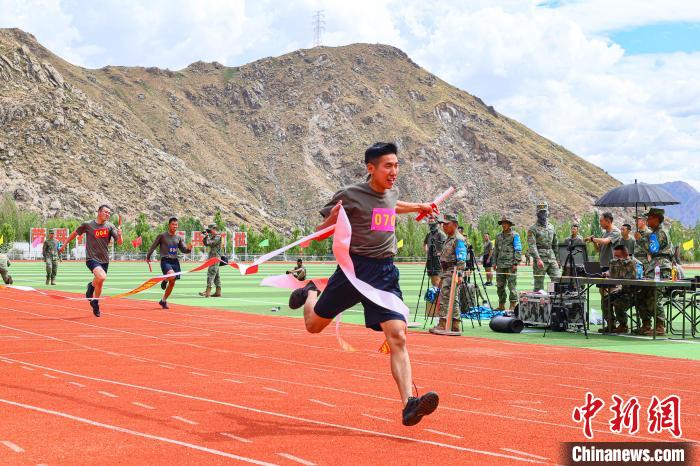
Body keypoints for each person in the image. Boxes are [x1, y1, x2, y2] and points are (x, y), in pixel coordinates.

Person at [287, 142, 439, 426]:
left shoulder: (392, 192)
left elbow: (392, 205)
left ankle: (409, 404)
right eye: (388, 166)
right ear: (371, 168)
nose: (394, 171)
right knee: (313, 326)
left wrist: (420, 206)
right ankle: (310, 292)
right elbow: (319, 233)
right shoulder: (350, 195)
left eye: (396, 165)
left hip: (384, 274)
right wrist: (331, 221)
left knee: (398, 336)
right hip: (352, 272)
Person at [60, 205, 123, 317]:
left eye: (109, 213)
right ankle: (92, 290)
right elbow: (75, 234)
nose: (108, 214)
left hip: (104, 259)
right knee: (102, 277)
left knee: (100, 282)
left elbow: (119, 242)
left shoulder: (110, 226)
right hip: (91, 258)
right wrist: (64, 244)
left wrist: (120, 235)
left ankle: (95, 300)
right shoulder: (88, 225)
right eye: (106, 212)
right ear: (99, 212)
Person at [637, 208, 673, 336]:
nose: (647, 220)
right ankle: (646, 324)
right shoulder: (654, 232)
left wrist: (640, 240)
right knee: (642, 296)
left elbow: (653, 250)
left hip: (661, 267)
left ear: (657, 219)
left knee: (654, 297)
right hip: (654, 266)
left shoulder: (660, 232)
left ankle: (660, 326)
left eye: (650, 218)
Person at [429, 214, 466, 334]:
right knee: (451, 298)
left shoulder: (458, 239)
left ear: (454, 225)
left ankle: (443, 323)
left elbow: (461, 258)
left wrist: (459, 274)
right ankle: (454, 325)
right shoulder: (449, 238)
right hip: (446, 272)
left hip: (453, 271)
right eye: (442, 224)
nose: (443, 226)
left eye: (446, 224)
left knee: (446, 297)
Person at [147, 217, 192, 309]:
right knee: (171, 276)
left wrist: (189, 249)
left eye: (176, 225)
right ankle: (165, 280)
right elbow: (153, 246)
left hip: (175, 261)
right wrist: (148, 257)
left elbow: (183, 250)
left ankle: (163, 301)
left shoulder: (179, 238)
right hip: (165, 260)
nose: (175, 226)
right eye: (173, 224)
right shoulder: (162, 236)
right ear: (169, 225)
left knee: (172, 283)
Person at [600, 245, 640, 333]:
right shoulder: (617, 262)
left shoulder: (632, 262)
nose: (616, 258)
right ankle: (611, 324)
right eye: (615, 256)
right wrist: (606, 273)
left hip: (633, 292)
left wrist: (613, 272)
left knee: (618, 303)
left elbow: (625, 276)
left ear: (625, 255)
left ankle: (623, 325)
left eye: (618, 256)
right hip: (623, 291)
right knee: (606, 300)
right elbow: (613, 274)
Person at [528, 202, 560, 291]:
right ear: (537, 214)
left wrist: (558, 259)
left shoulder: (551, 227)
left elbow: (555, 244)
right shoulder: (533, 229)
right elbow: (532, 245)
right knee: (539, 284)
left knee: (556, 279)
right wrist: (538, 259)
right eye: (541, 212)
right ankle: (539, 299)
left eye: (545, 212)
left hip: (551, 257)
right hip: (540, 258)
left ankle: (551, 295)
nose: (543, 214)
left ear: (547, 213)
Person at [494, 216, 521, 311]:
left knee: (511, 286)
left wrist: (516, 263)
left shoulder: (515, 235)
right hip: (500, 265)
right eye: (502, 223)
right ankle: (501, 305)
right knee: (500, 286)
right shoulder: (498, 236)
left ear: (509, 224)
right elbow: (496, 250)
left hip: (510, 265)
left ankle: (512, 305)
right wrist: (494, 263)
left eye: (505, 223)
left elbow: (518, 249)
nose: (504, 225)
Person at [199, 224, 223, 298]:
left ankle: (208, 291)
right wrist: (205, 237)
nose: (209, 231)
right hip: (213, 258)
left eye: (210, 230)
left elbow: (210, 243)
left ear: (214, 229)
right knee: (216, 276)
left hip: (215, 258)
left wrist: (207, 236)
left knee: (211, 274)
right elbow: (206, 243)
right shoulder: (213, 237)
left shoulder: (217, 237)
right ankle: (218, 292)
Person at [423, 221, 446, 287]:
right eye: (430, 225)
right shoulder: (428, 234)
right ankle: (435, 290)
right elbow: (424, 244)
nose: (431, 226)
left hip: (438, 259)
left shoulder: (440, 234)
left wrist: (440, 253)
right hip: (430, 258)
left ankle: (438, 291)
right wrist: (426, 251)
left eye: (433, 225)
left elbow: (446, 245)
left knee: (437, 277)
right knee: (432, 277)